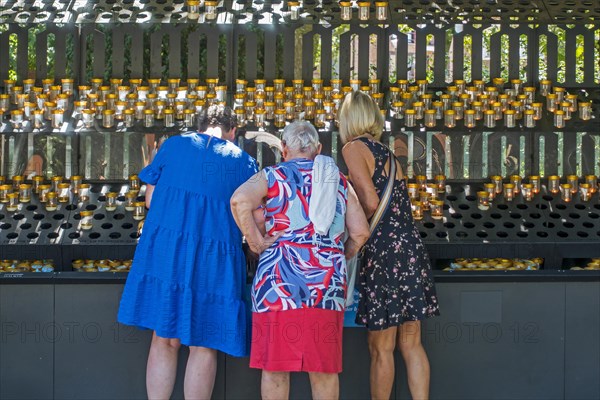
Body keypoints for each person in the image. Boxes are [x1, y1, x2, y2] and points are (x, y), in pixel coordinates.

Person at [117, 105, 259, 400]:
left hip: (168, 252)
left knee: (164, 336)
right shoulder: (243, 162)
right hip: (214, 258)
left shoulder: (173, 146)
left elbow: (150, 199)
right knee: (203, 342)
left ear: (200, 126)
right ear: (232, 132)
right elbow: (251, 215)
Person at [231, 121, 370, 400]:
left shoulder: (271, 176)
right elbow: (361, 232)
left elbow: (238, 201)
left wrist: (257, 243)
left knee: (275, 368)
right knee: (323, 369)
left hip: (278, 286)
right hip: (326, 288)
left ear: (284, 149)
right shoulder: (339, 181)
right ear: (318, 149)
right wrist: (338, 254)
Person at [338, 91, 440, 400]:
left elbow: (369, 201)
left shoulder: (353, 148)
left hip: (383, 253)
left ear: (349, 119)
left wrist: (350, 227)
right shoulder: (387, 153)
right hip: (409, 250)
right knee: (411, 344)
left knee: (380, 348)